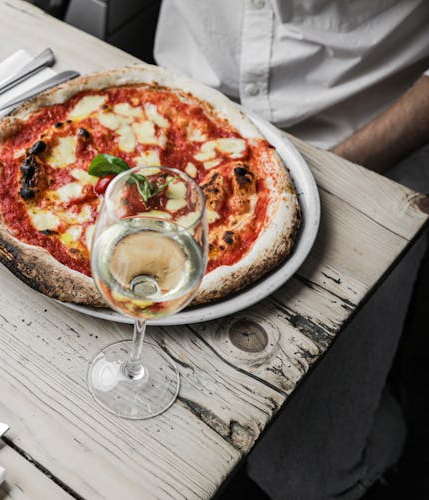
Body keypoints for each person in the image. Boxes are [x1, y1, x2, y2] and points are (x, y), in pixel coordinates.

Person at [154, 1, 429, 499]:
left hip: (371, 132)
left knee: (303, 475)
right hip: (186, 100)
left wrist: (306, 187)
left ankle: (392, 429)